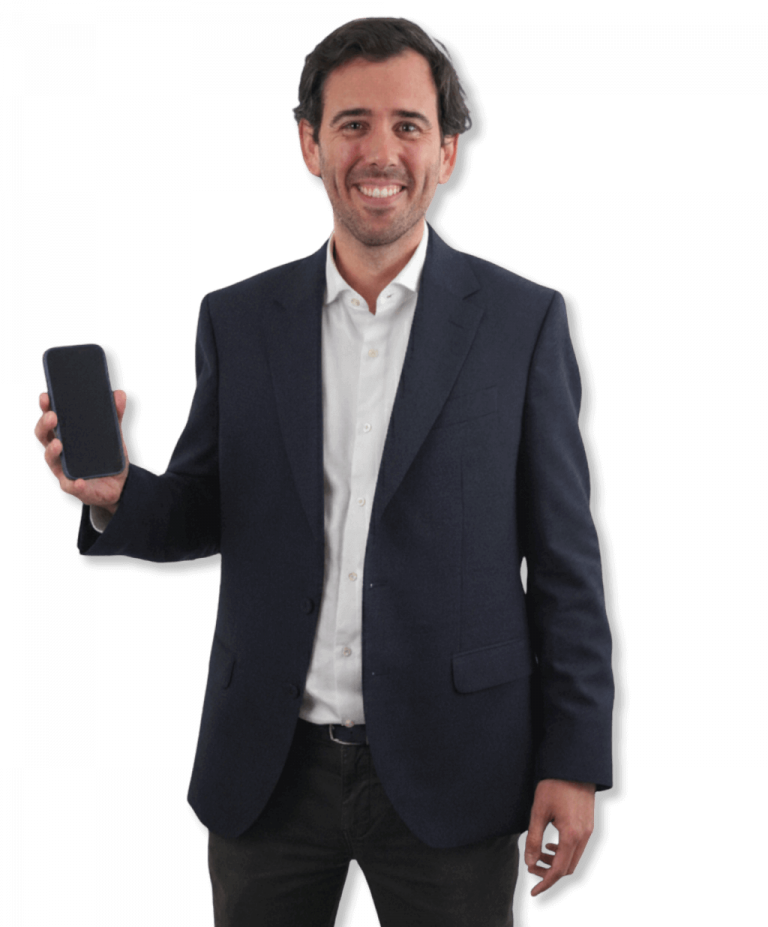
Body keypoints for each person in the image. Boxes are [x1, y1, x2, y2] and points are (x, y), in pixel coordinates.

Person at [34, 16, 614, 927]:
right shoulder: (238, 318)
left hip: (458, 761)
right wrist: (118, 494)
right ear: (310, 145)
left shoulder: (522, 322)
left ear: (447, 152)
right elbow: (207, 507)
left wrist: (574, 758)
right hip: (268, 766)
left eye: (408, 125)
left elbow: (568, 564)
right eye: (351, 124)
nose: (380, 152)